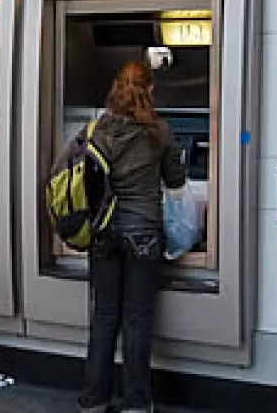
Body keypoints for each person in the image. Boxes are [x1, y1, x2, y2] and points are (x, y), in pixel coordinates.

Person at [77, 61, 186, 413]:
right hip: (144, 232)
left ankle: (94, 400)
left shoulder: (96, 129)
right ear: (150, 90)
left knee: (105, 317)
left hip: (104, 231)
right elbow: (176, 180)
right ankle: (137, 403)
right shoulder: (160, 131)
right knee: (137, 320)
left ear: (115, 88)